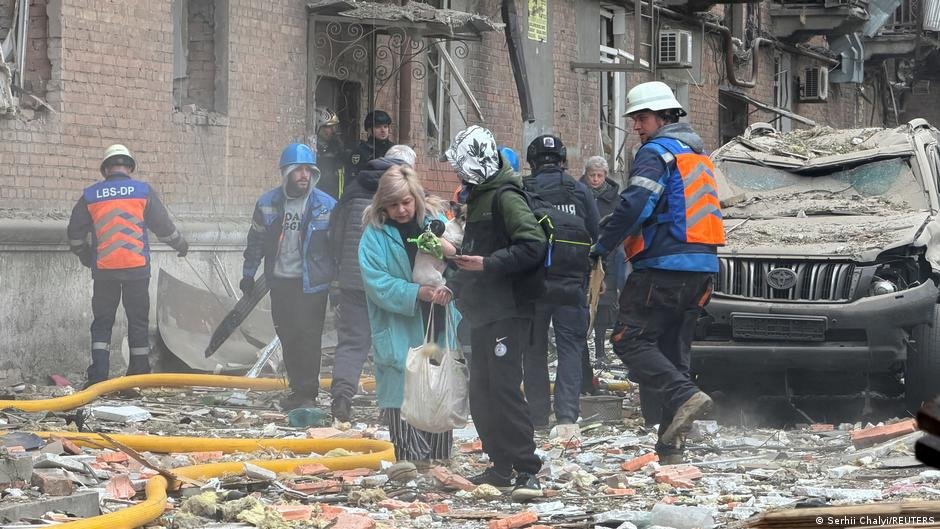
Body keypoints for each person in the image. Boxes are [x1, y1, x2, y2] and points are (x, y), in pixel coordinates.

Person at [591, 81, 725, 463]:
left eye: (642, 118)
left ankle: (685, 396)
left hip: (663, 266)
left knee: (628, 339)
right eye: (634, 119)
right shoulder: (698, 155)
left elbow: (636, 204)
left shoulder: (656, 152)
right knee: (672, 352)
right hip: (702, 270)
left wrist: (602, 245)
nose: (636, 126)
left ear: (665, 117)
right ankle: (670, 448)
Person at [447, 125, 545, 502]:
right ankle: (500, 464)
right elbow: (476, 251)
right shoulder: (479, 196)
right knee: (482, 390)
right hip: (483, 309)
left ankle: (526, 468)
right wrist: (455, 284)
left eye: (462, 167)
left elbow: (532, 245)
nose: (458, 174)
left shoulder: (506, 196)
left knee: (503, 388)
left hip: (508, 309)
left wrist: (487, 264)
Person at [357, 164, 461, 464]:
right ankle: (412, 467)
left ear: (416, 198)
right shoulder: (375, 235)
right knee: (403, 402)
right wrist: (416, 292)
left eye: (406, 202)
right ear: (382, 205)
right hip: (398, 328)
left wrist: (450, 284)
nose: (401, 210)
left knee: (438, 394)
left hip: (437, 323)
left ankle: (439, 464)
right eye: (393, 205)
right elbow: (376, 283)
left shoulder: (437, 225)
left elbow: (459, 264)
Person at [67, 144, 189, 387]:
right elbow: (163, 226)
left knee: (102, 323)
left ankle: (98, 376)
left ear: (106, 169)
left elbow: (75, 234)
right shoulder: (142, 191)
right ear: (130, 167)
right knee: (138, 321)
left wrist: (86, 256)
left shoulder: (91, 195)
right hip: (137, 269)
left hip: (104, 271)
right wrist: (180, 244)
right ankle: (138, 375)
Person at [241, 143, 336, 411]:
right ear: (286, 173)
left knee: (309, 337)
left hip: (312, 285)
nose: (304, 175)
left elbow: (337, 249)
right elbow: (256, 241)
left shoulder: (326, 206)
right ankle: (296, 389)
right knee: (287, 335)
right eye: (298, 170)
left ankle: (308, 393)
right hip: (281, 282)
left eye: (308, 170)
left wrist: (337, 286)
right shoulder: (267, 204)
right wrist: (248, 274)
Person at [328, 145, 416, 424]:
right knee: (393, 343)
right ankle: (390, 406)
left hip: (352, 279)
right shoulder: (404, 198)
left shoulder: (353, 189)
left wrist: (338, 272)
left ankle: (342, 397)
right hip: (389, 282)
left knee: (352, 341)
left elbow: (335, 234)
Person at [522, 134, 600, 433]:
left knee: (534, 350)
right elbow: (594, 233)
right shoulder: (580, 190)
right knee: (571, 349)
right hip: (572, 283)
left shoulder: (524, 190)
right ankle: (567, 416)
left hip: (534, 284)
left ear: (532, 161)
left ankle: (538, 417)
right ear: (563, 160)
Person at [580, 155, 623, 369]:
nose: (595, 179)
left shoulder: (615, 199)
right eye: (592, 175)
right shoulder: (578, 193)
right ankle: (583, 351)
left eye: (599, 175)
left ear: (605, 176)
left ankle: (599, 350)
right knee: (583, 302)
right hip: (583, 253)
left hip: (608, 255)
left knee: (604, 304)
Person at [349, 109, 393, 180]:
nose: (383, 130)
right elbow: (354, 177)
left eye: (385, 127)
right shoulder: (361, 150)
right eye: (378, 127)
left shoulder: (393, 149)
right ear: (369, 129)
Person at [315, 110, 348, 200]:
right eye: (328, 127)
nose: (333, 130)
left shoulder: (337, 150)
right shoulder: (312, 151)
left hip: (335, 198)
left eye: (334, 127)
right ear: (317, 127)